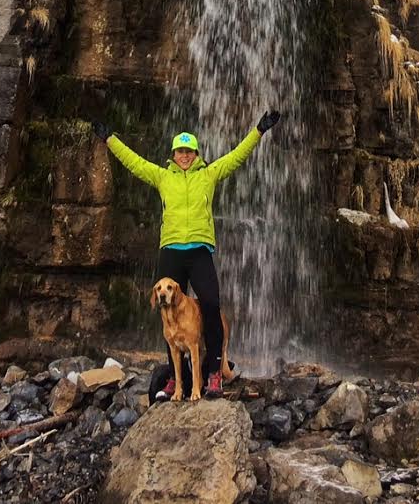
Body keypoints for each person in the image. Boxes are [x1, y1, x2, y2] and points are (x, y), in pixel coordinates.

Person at [92, 111, 282, 399]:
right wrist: (109, 139)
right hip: (171, 252)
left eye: (189, 151)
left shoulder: (209, 174)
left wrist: (258, 130)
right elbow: (133, 161)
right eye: (180, 151)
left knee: (211, 304)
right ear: (173, 154)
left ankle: (215, 372)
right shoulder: (161, 176)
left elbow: (237, 156)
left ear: (196, 153)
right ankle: (173, 377)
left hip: (199, 251)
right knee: (166, 313)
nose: (184, 156)